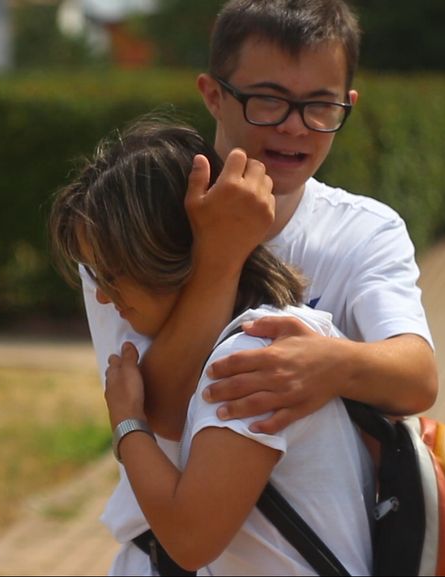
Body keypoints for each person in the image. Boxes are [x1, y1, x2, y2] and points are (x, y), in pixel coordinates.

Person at [77, 0, 437, 574]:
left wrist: (331, 365)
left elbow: (417, 377)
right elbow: (160, 410)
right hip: (159, 557)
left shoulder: (365, 231)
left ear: (348, 104)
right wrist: (221, 256)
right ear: (213, 95)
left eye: (320, 105)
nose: (295, 125)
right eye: (268, 99)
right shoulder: (139, 223)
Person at [50, 118, 373, 574]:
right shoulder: (258, 335)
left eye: (112, 274)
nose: (102, 296)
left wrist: (127, 422)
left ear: (164, 252)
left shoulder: (253, 355)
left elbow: (190, 539)